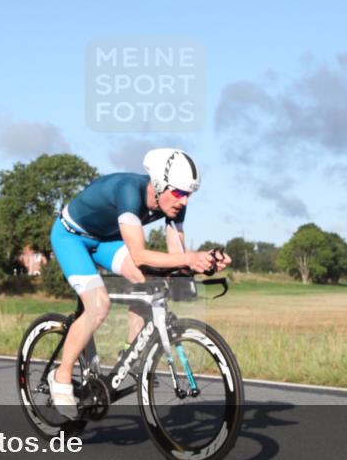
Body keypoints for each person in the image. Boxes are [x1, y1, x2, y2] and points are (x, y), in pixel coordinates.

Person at [47, 148, 231, 417]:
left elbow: (177, 257)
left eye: (189, 194)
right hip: (71, 238)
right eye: (179, 192)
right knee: (98, 305)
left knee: (153, 283)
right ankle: (61, 376)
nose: (184, 201)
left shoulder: (174, 204)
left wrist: (205, 263)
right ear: (158, 184)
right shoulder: (129, 192)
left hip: (105, 241)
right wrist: (190, 259)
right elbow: (139, 254)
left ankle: (129, 359)